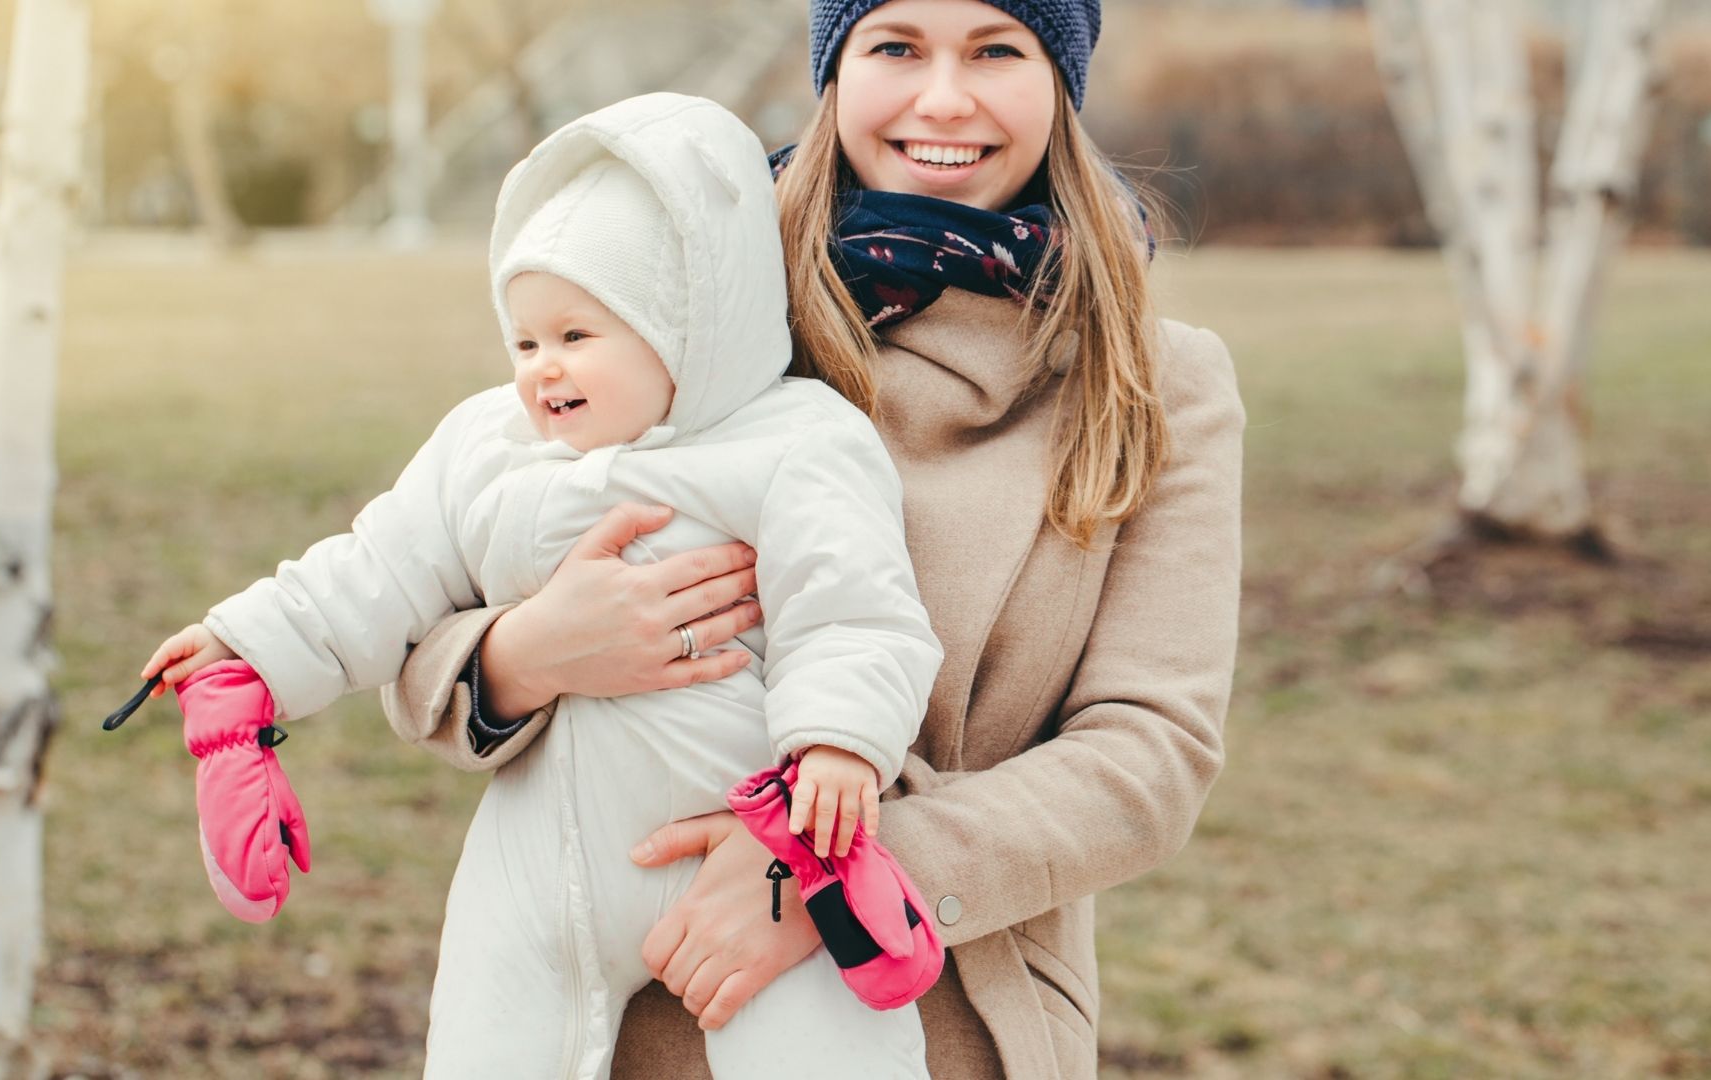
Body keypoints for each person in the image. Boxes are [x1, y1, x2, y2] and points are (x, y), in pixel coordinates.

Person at [385, 0, 1246, 1076]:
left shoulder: (1157, 380)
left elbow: (1148, 757)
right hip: (641, 1005)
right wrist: (525, 653)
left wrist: (829, 878)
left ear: (1060, 80)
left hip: (942, 992)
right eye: (895, 47)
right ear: (835, 70)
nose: (944, 98)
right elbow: (426, 585)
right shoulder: (698, 297)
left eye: (995, 50)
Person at [140, 93, 944, 1078]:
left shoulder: (794, 442)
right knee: (489, 1034)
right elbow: (376, 567)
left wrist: (837, 744)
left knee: (821, 1047)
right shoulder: (486, 448)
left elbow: (853, 602)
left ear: (690, 328)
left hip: (748, 846)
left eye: (577, 335)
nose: (540, 371)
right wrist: (245, 651)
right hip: (539, 866)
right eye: (524, 340)